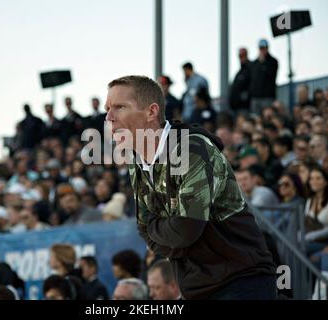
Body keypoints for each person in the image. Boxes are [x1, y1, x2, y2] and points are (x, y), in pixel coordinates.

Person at [105, 75, 276, 300]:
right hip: (196, 288)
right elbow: (144, 229)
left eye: (119, 107)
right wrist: (169, 233)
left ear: (151, 112)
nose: (109, 117)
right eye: (108, 109)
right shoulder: (136, 161)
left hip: (241, 282)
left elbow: (185, 230)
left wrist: (166, 233)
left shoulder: (191, 149)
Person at [249, 39, 278, 115]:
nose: (263, 50)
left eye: (264, 48)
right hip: (256, 97)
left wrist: (262, 63)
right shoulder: (254, 63)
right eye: (261, 48)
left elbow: (270, 75)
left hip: (267, 97)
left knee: (268, 117)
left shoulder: (273, 61)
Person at [229, 48, 251, 114]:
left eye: (243, 55)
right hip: (236, 108)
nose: (241, 58)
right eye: (240, 56)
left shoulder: (251, 69)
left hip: (245, 107)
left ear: (247, 55)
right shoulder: (239, 72)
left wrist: (246, 96)